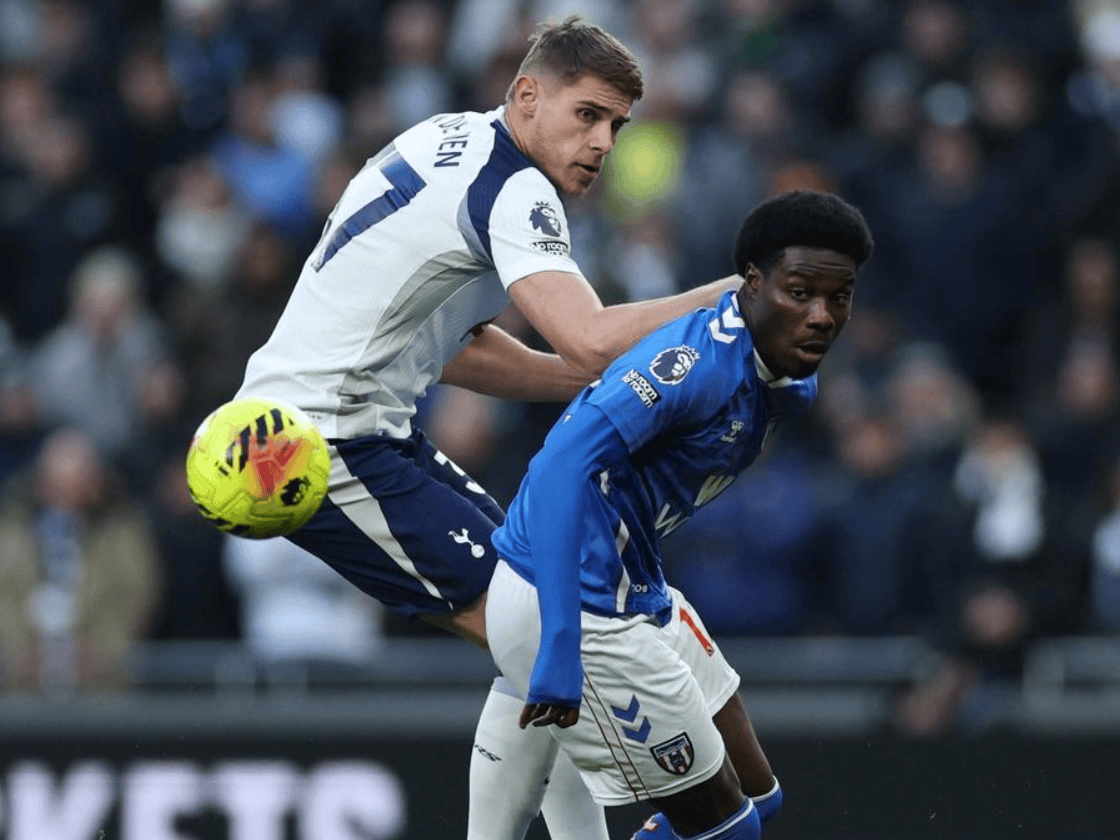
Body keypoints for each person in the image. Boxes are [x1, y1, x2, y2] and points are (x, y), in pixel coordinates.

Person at [233, 16, 740, 840]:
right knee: (542, 629)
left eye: (617, 125)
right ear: (528, 95)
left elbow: (456, 347)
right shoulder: (515, 189)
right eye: (587, 114)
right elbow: (587, 336)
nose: (603, 142)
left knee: (543, 615)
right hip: (323, 444)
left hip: (362, 429)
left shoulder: (450, 137)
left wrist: (593, 377)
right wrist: (731, 300)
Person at [485, 189, 874, 840]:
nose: (821, 316)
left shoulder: (786, 380)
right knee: (730, 830)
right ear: (752, 284)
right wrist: (559, 641)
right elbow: (556, 469)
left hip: (633, 586)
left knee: (762, 798)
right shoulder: (690, 367)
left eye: (839, 297)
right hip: (573, 601)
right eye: (800, 292)